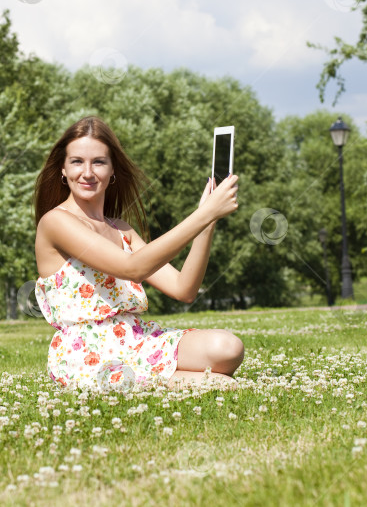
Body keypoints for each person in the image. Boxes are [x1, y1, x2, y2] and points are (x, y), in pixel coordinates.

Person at [32, 116, 243, 392]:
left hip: (137, 338)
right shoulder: (56, 222)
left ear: (112, 170)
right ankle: (162, 380)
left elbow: (184, 289)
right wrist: (202, 214)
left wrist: (207, 222)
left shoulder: (121, 230)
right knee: (222, 385)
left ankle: (161, 375)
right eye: (76, 161)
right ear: (62, 168)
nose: (87, 172)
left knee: (228, 347)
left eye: (98, 162)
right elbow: (132, 268)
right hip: (86, 353)